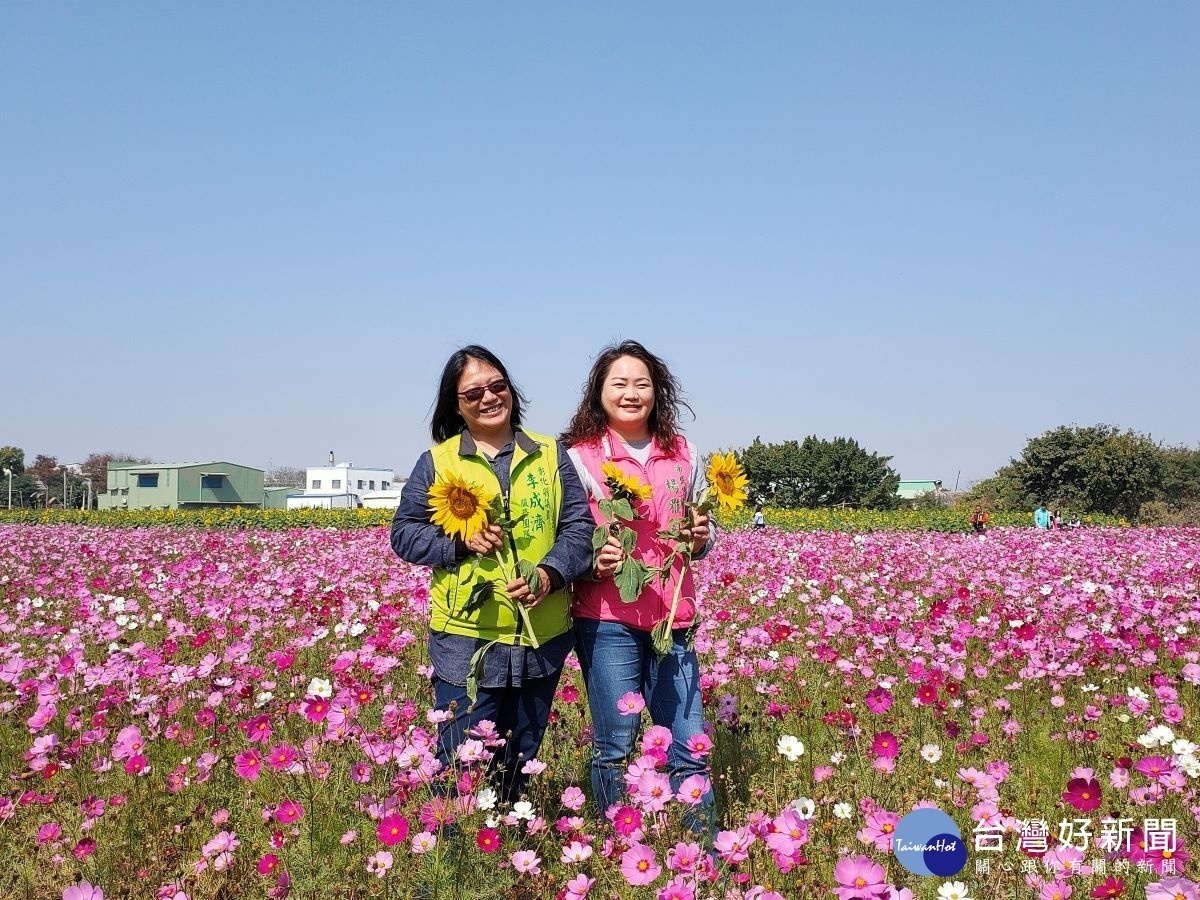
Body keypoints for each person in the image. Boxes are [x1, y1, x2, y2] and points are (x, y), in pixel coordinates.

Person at [390, 345, 594, 803]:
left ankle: (506, 849)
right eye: (473, 393)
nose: (488, 398)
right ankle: (453, 862)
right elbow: (404, 534)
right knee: (458, 762)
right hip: (466, 638)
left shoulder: (548, 453)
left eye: (497, 386)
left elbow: (579, 527)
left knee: (519, 756)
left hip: (538, 636)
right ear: (455, 405)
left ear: (511, 391)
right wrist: (457, 544)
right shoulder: (438, 461)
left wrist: (548, 574)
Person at [561, 340, 716, 824]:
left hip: (675, 617)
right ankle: (619, 844)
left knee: (690, 743)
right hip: (607, 619)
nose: (631, 393)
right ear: (599, 392)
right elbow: (566, 534)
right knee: (615, 745)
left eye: (642, 383)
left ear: (658, 392)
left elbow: (701, 533)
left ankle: (701, 855)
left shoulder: (684, 452)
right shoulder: (579, 457)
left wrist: (700, 536)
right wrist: (593, 560)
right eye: (619, 383)